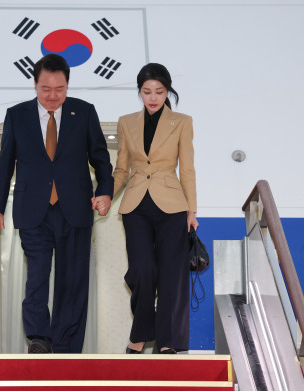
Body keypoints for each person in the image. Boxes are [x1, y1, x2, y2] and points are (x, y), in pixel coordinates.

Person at [0, 54, 114, 354]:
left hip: (75, 209)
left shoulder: (83, 113)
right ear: (35, 84)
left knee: (73, 280)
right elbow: (5, 165)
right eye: (46, 89)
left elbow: (101, 158)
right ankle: (39, 338)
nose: (53, 95)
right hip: (34, 211)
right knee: (38, 276)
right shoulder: (17, 115)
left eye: (59, 89)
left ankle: (66, 345)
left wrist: (106, 191)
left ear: (68, 84)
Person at [109, 63, 198, 354]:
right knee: (141, 270)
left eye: (159, 91)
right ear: (140, 92)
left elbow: (187, 169)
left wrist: (191, 211)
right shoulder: (126, 122)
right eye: (147, 91)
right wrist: (106, 195)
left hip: (172, 206)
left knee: (172, 274)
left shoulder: (182, 121)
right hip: (135, 205)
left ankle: (166, 342)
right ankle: (142, 331)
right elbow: (121, 169)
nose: (153, 97)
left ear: (167, 91)